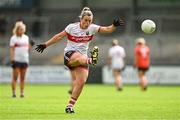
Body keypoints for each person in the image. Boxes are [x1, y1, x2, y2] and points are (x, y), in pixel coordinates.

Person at [35, 7, 124, 113]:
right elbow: (58, 37)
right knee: (80, 58)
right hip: (70, 55)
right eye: (86, 20)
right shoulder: (72, 27)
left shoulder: (92, 28)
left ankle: (69, 106)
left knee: (81, 82)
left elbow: (107, 29)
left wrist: (114, 25)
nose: (87, 23)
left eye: (90, 21)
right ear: (81, 19)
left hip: (82, 58)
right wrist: (45, 45)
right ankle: (90, 60)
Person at [10, 21, 34, 98]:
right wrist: (12, 59)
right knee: (15, 77)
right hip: (17, 60)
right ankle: (14, 93)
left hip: (25, 60)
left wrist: (31, 45)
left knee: (23, 78)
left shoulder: (26, 37)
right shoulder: (13, 38)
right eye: (21, 29)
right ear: (17, 30)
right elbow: (12, 50)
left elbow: (27, 50)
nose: (22, 31)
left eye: (23, 29)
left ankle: (22, 93)